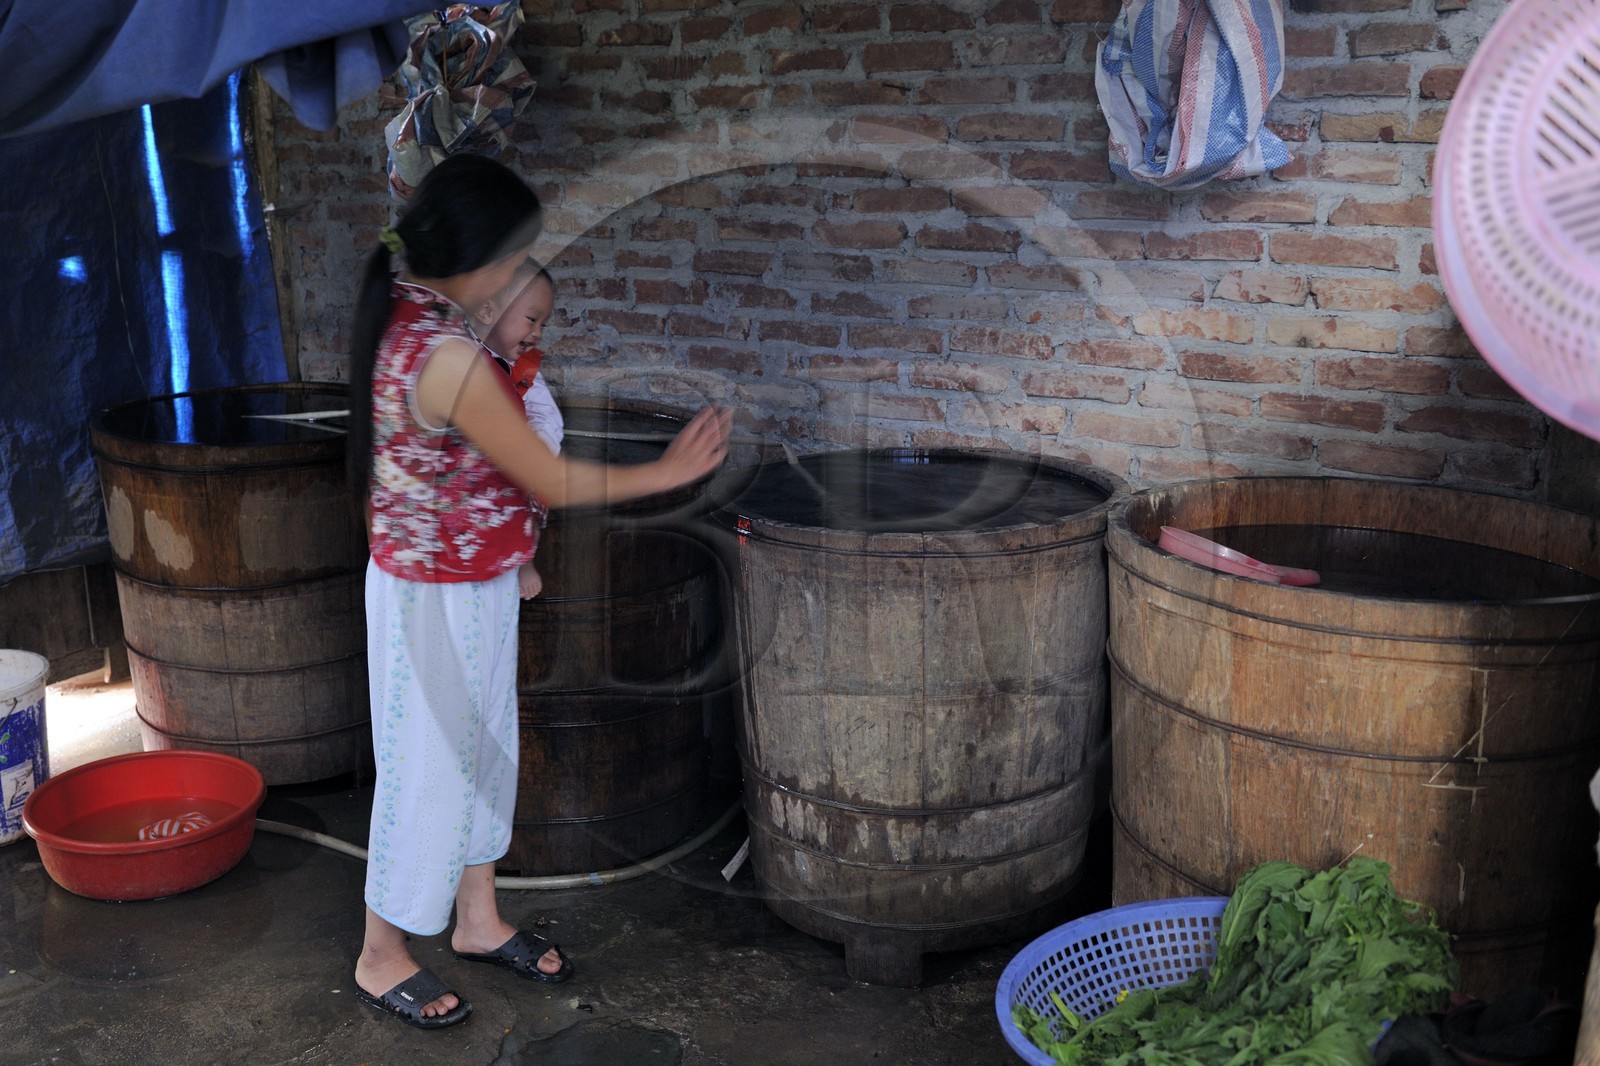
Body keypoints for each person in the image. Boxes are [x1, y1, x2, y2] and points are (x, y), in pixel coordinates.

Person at [345, 152, 731, 1030]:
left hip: (466, 581)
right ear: (479, 262)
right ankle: (381, 953)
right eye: (516, 253)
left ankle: (477, 920)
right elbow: (547, 480)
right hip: (429, 600)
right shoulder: (445, 358)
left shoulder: (416, 307)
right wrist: (668, 470)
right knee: (427, 775)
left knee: (483, 759)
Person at [468, 262, 562, 601]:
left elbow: (547, 415)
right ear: (487, 309)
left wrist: (537, 447)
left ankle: (525, 560)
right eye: (531, 319)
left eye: (543, 324)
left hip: (517, 458)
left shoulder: (522, 368)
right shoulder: (458, 355)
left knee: (532, 497)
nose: (537, 332)